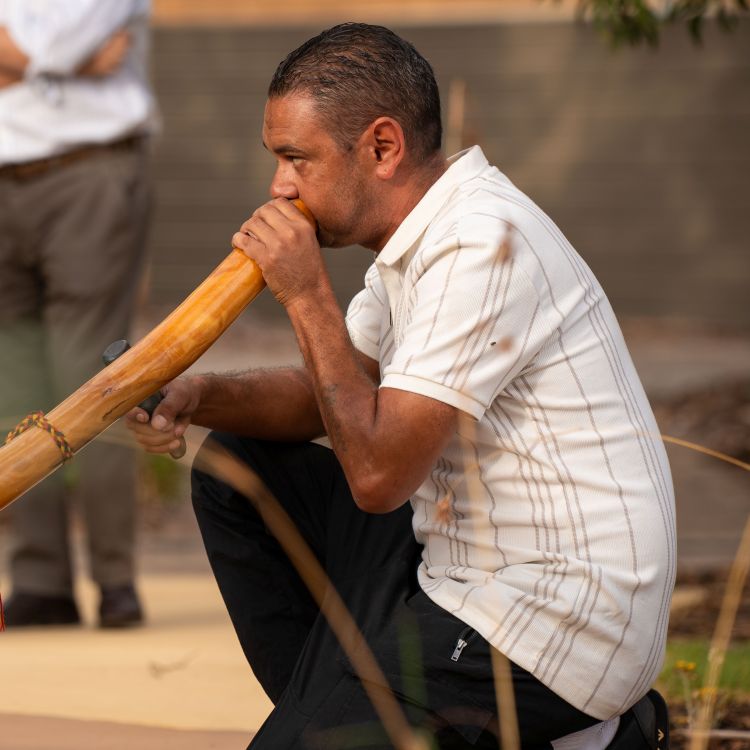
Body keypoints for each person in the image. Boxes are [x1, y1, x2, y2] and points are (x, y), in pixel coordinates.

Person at [127, 23, 675, 749]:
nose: (278, 187)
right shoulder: (415, 243)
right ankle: (336, 708)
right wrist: (194, 396)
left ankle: (586, 735)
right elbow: (337, 392)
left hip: (555, 621)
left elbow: (379, 475)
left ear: (382, 147)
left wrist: (305, 295)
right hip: (455, 565)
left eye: (296, 158)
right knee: (237, 465)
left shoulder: (480, 244)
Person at [0, 0, 157, 628]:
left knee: (92, 377)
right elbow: (68, 52)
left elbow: (66, 37)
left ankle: (115, 576)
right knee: (10, 383)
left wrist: (26, 60)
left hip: (88, 174)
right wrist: (68, 64)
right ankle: (39, 579)